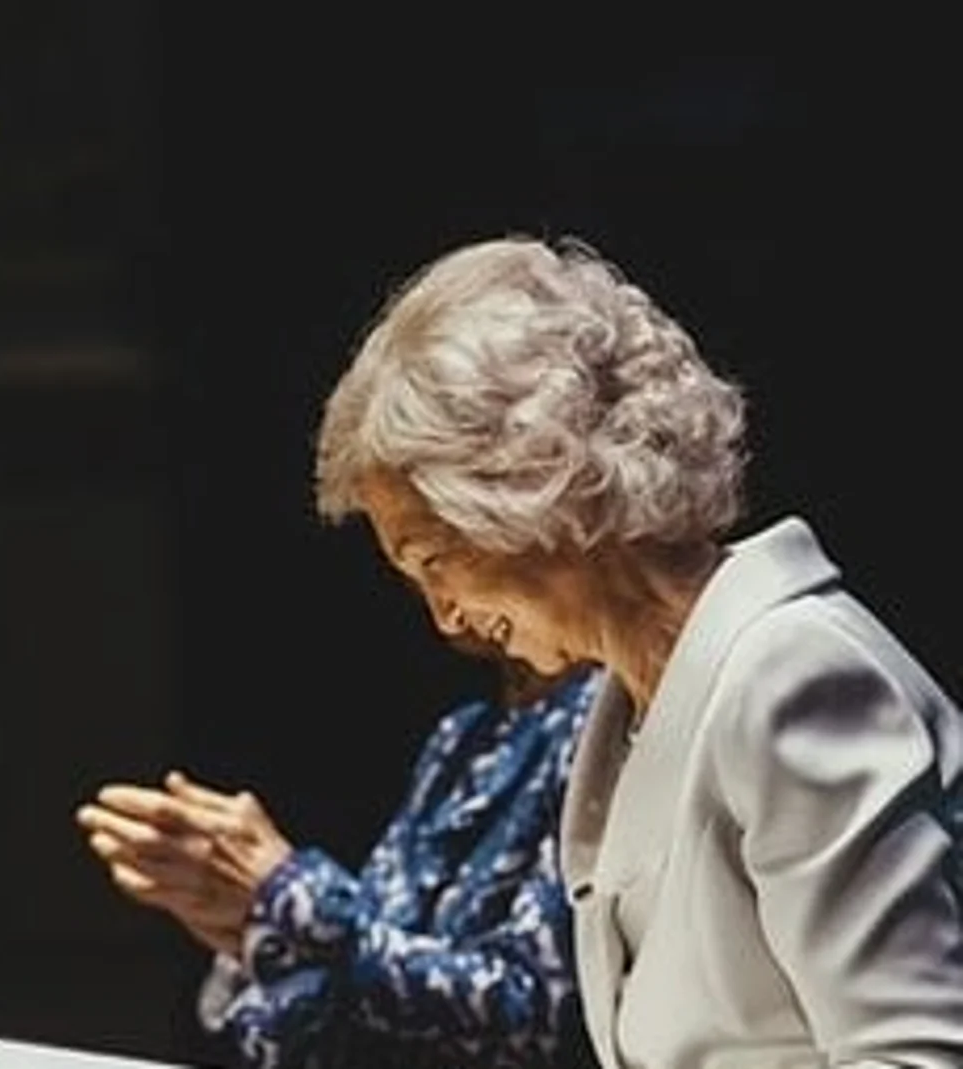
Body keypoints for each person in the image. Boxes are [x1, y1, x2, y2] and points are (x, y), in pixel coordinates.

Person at [309, 234, 963, 1068]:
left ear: (534, 481)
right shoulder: (624, 709)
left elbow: (916, 1055)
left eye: (436, 563)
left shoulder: (791, 675)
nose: (447, 618)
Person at [78, 651, 605, 1069]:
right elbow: (371, 986)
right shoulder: (464, 736)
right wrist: (260, 934)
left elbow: (550, 1019)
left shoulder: (605, 725)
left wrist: (289, 897)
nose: (440, 605)